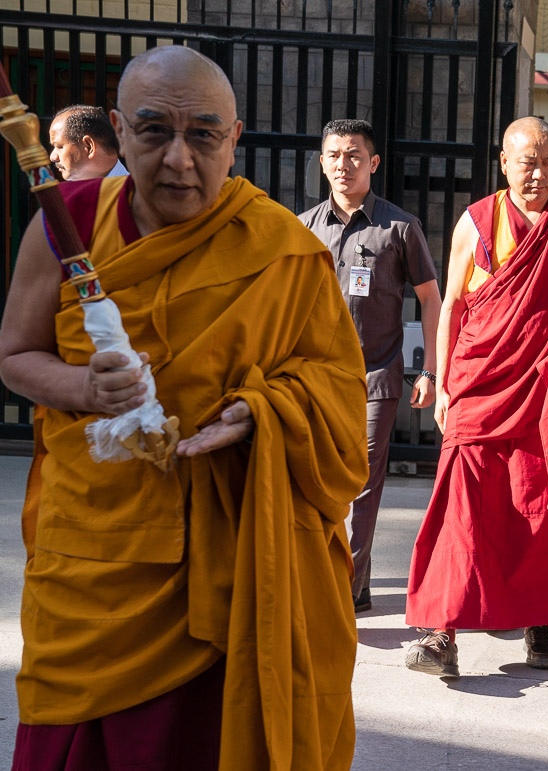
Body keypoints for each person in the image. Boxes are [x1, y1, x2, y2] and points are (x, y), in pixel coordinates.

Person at [0, 45, 368, 769]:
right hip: (94, 556)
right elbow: (15, 354)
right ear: (117, 129)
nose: (177, 160)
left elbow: (337, 392)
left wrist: (262, 413)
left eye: (202, 135)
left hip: (229, 558)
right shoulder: (65, 220)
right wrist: (82, 389)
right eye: (152, 132)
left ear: (234, 139)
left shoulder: (283, 251)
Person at [402, 117, 548, 677]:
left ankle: (540, 624)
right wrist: (443, 379)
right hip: (480, 384)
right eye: (528, 161)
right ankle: (442, 631)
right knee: (462, 509)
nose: (539, 173)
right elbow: (453, 304)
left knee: (540, 510)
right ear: (504, 162)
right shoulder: (477, 220)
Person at [299, 119, 441, 614]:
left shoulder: (399, 227)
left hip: (376, 376)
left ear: (373, 162)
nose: (343, 164)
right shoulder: (302, 227)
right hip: (315, 378)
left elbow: (430, 299)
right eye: (334, 155)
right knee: (318, 482)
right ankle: (341, 579)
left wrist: (430, 371)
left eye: (354, 154)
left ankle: (344, 587)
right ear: (321, 162)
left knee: (362, 485)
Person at [48, 104, 129, 180]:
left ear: (89, 146)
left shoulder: (134, 192)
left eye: (59, 147)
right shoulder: (68, 192)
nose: (53, 157)